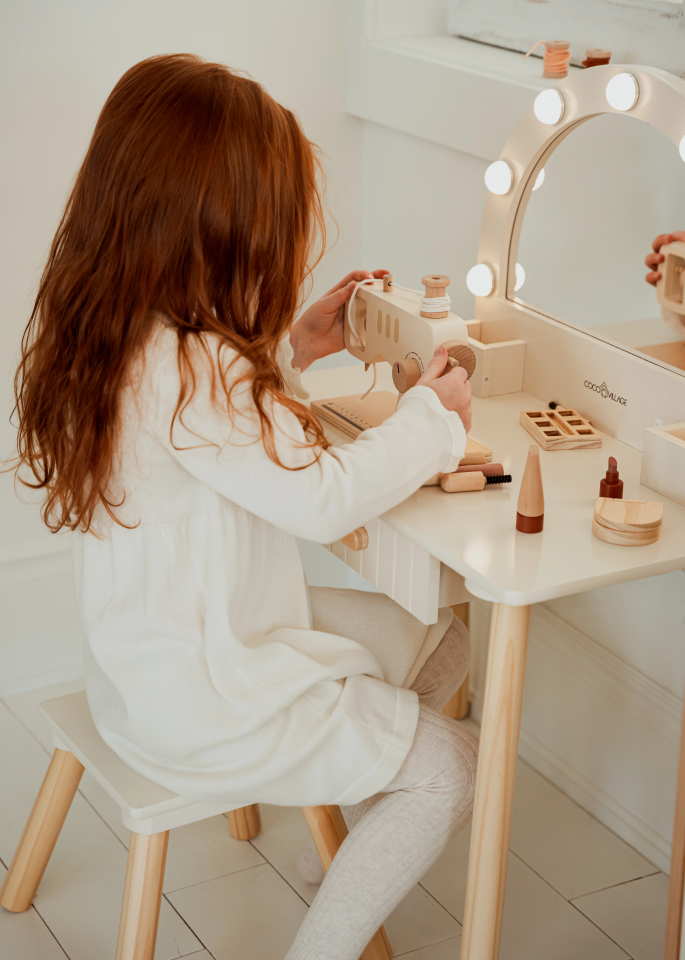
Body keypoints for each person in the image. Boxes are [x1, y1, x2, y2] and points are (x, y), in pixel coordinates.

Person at [12, 54, 477, 960]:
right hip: (206, 693)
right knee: (451, 772)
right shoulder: (200, 368)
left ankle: (340, 836)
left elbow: (209, 447)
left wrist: (294, 347)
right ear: (220, 233)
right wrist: (432, 414)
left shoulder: (117, 334)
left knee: (436, 639)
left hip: (146, 665)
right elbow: (321, 499)